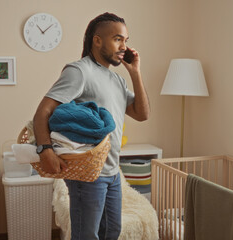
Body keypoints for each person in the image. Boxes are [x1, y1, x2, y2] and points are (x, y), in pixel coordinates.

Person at [33, 12, 150, 240]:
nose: (124, 46)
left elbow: (142, 113)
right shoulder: (79, 71)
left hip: (112, 172)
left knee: (112, 232)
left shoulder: (116, 79)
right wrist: (45, 149)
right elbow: (43, 112)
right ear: (97, 40)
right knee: (87, 236)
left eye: (125, 40)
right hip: (88, 174)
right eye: (117, 39)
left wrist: (135, 72)